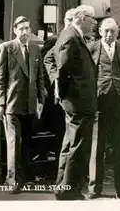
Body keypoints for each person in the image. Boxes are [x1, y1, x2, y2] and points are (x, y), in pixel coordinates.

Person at [45, 5, 97, 200]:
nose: (95, 23)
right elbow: (62, 69)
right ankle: (70, 190)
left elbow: (53, 62)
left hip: (75, 100)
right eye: (92, 19)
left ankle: (62, 187)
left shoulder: (69, 34)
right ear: (82, 18)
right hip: (78, 101)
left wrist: (60, 90)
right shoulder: (71, 37)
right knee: (77, 146)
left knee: (70, 145)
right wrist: (62, 91)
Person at [0, 16, 45, 194]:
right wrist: (0, 104)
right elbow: (0, 78)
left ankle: (23, 179)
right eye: (21, 29)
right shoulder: (7, 48)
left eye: (27, 28)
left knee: (26, 143)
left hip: (30, 104)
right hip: (12, 104)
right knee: (13, 142)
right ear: (15, 30)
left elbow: (39, 78)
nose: (25, 32)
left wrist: (40, 100)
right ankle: (13, 180)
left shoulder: (35, 48)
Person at [86, 18, 120, 199]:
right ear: (100, 31)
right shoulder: (91, 48)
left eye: (113, 31)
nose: (109, 35)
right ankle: (94, 189)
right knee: (97, 146)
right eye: (106, 31)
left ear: (117, 33)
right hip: (98, 102)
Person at [41, 9, 75, 159]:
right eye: (69, 20)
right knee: (58, 126)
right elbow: (44, 64)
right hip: (55, 91)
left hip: (71, 91)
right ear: (64, 21)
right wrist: (54, 82)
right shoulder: (55, 39)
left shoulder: (77, 38)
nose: (71, 24)